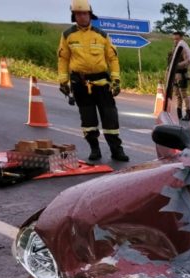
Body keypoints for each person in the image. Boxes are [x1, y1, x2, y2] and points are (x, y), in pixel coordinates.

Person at [57, 0, 128, 162]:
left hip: (102, 83)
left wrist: (116, 80)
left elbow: (113, 59)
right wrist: (63, 81)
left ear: (90, 15)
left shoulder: (101, 35)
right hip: (80, 84)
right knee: (88, 120)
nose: (82, 17)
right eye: (78, 14)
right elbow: (63, 59)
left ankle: (117, 151)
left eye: (84, 13)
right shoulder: (68, 35)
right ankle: (94, 149)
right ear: (74, 16)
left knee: (110, 118)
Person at [168, 31, 190, 121]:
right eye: (174, 39)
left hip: (181, 74)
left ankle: (188, 113)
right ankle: (179, 114)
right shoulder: (175, 48)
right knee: (178, 95)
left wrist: (176, 65)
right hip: (175, 75)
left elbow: (187, 61)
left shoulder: (183, 49)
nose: (175, 41)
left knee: (184, 95)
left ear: (181, 38)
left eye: (177, 39)